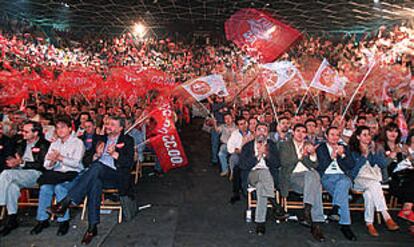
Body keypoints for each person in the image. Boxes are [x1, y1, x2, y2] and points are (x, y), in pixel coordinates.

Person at [50, 116, 135, 245]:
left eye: (112, 124)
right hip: (97, 175)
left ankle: (67, 201)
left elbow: (129, 163)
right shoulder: (100, 139)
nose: (108, 126)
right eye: (107, 124)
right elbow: (86, 160)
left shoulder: (127, 140)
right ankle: (92, 228)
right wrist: (96, 155)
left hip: (116, 176)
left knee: (97, 167)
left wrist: (115, 155)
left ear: (120, 128)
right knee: (95, 182)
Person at [31, 115, 85, 236]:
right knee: (45, 188)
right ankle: (42, 219)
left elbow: (76, 163)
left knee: (60, 188)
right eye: (58, 128)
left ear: (70, 129)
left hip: (73, 174)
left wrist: (60, 158)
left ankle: (63, 221)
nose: (60, 130)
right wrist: (53, 162)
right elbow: (46, 164)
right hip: (57, 174)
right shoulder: (55, 144)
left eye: (63, 127)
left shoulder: (77, 143)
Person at [0, 121, 50, 236]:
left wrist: (22, 163)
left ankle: (1, 202)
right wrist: (13, 162)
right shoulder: (20, 143)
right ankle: (12, 218)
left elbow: (42, 165)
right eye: (22, 131)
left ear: (36, 133)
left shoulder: (44, 144)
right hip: (20, 172)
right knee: (12, 187)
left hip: (36, 173)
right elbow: (14, 158)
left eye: (26, 131)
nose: (23, 133)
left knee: (6, 174)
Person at [348, 126, 399, 237]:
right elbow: (352, 170)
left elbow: (382, 164)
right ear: (358, 137)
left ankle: (369, 223)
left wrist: (375, 153)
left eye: (369, 134)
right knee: (374, 185)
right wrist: (364, 156)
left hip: (372, 180)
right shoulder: (352, 150)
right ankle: (386, 216)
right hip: (358, 180)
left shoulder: (375, 148)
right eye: (364, 135)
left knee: (369, 194)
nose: (368, 137)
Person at [238, 122, 288, 235]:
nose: (261, 132)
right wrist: (257, 156)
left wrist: (266, 154)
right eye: (259, 129)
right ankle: (275, 204)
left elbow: (277, 164)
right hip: (252, 175)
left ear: (267, 133)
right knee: (263, 173)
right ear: (255, 132)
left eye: (264, 130)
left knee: (261, 186)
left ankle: (260, 222)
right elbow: (243, 165)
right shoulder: (248, 146)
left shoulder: (272, 145)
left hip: (268, 179)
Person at [279, 123, 325, 242]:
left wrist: (313, 154)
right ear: (293, 132)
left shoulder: (308, 145)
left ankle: (310, 215)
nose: (300, 134)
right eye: (298, 131)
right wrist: (301, 156)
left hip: (307, 179)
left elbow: (314, 165)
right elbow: (284, 162)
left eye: (303, 132)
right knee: (316, 182)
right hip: (291, 177)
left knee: (313, 175)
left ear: (306, 134)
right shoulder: (284, 144)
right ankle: (315, 221)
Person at [316, 126, 356, 240]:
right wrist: (331, 157)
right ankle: (345, 225)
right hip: (327, 176)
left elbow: (351, 165)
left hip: (343, 176)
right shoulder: (321, 148)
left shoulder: (344, 148)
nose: (335, 137)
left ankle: (336, 208)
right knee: (343, 194)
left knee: (343, 182)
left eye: (337, 135)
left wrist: (342, 155)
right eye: (332, 135)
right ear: (326, 136)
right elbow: (319, 166)